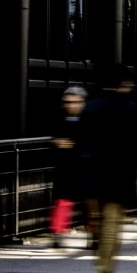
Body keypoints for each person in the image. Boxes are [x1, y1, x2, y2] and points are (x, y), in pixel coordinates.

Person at [77, 71, 137, 273]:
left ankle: (96, 243)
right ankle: (104, 272)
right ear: (124, 84)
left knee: (98, 221)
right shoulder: (134, 111)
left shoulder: (89, 109)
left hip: (92, 175)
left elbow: (80, 143)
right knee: (112, 227)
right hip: (119, 176)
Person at [48, 85, 90, 248]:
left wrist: (74, 145)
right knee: (62, 201)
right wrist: (56, 142)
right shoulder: (59, 117)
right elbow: (53, 137)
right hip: (65, 167)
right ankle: (58, 232)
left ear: (82, 102)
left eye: (74, 102)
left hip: (84, 166)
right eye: (67, 102)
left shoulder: (88, 118)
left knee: (87, 203)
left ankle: (92, 233)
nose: (70, 105)